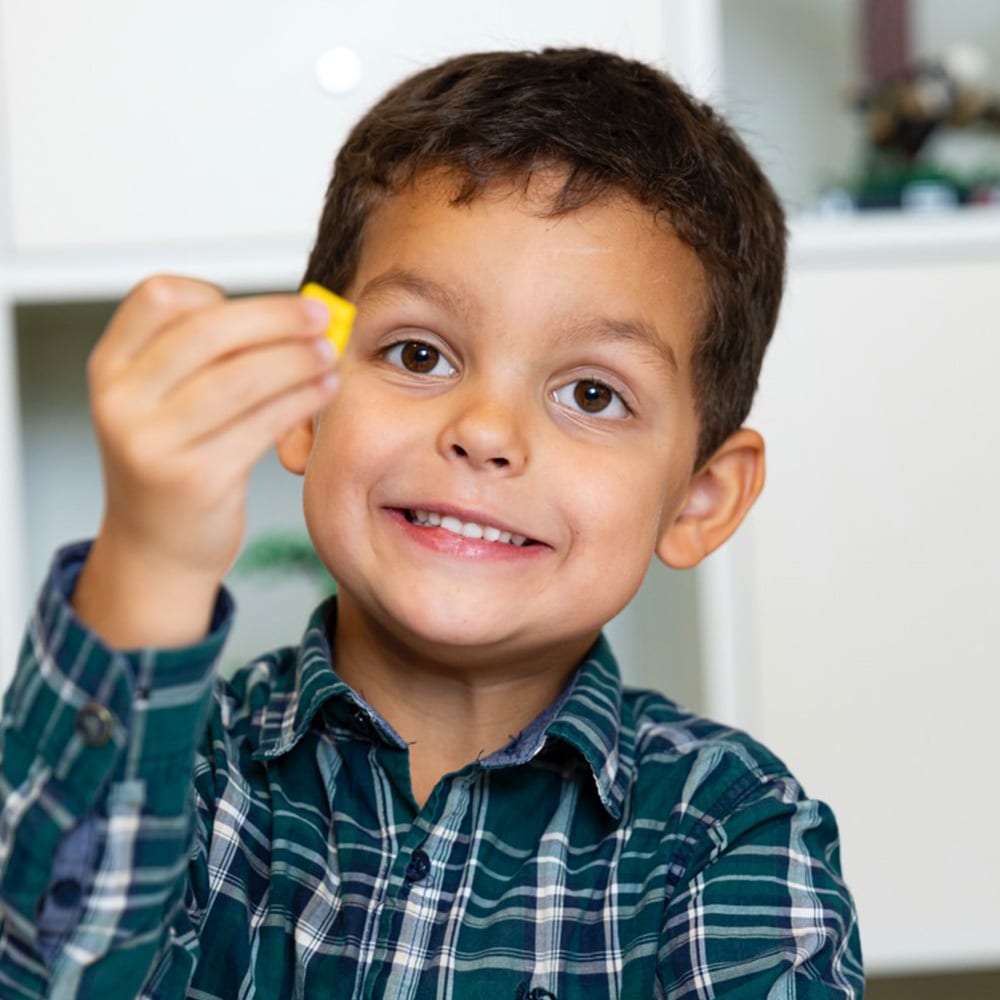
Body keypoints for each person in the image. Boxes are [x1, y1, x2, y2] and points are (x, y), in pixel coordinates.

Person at [0, 48, 863, 998]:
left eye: (590, 391)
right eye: (419, 352)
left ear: (701, 498)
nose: (485, 432)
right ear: (303, 398)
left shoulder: (729, 834)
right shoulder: (186, 784)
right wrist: (151, 558)